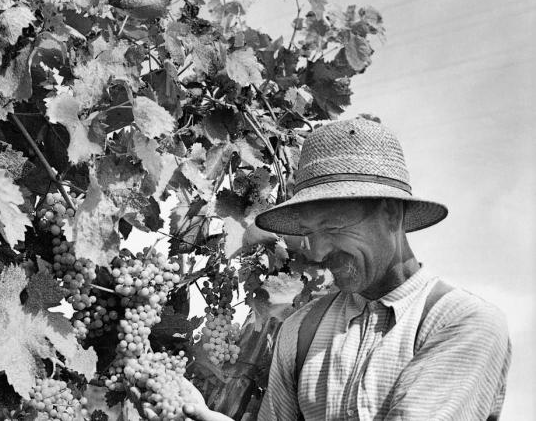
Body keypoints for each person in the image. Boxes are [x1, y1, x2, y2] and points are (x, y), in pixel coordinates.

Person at [180, 118, 511, 421]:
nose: (319, 251)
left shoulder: (462, 323)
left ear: (391, 214)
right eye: (309, 233)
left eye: (334, 228)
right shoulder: (298, 331)